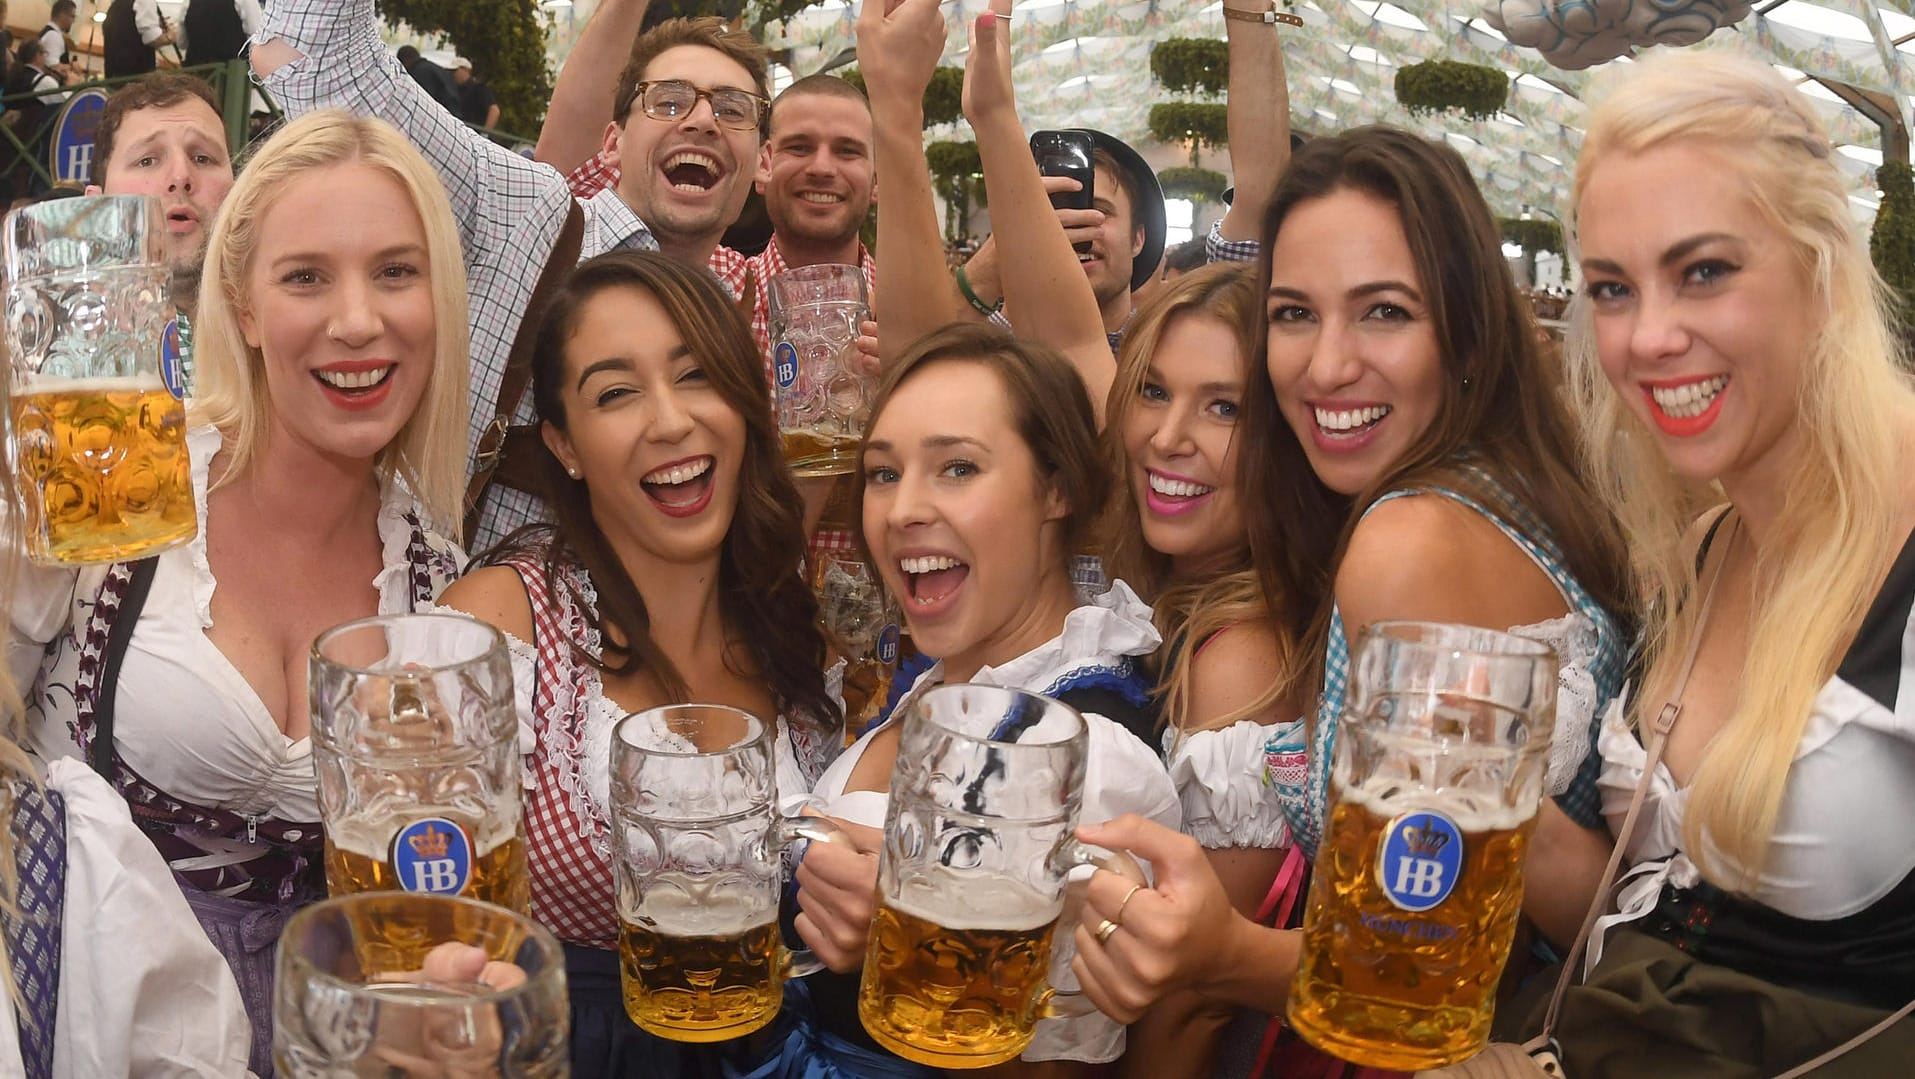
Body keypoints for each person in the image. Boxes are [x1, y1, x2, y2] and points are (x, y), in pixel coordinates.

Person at [1066, 124, 1634, 1064]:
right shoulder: (1515, 486)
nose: (1325, 366)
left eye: (1382, 312)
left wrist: (1215, 951)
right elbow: (1566, 887)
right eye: (1293, 314)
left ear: (1465, 326)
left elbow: (1412, 968)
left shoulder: (1405, 538)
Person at [10, 109, 473, 1077]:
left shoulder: (441, 579)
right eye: (306, 276)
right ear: (247, 306)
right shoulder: (113, 480)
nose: (358, 318)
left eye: (396, 270)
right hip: (88, 1025)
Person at [1517, 50, 1915, 1073]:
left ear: (1821, 266)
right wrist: (1486, 789)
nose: (1648, 335)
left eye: (1704, 271)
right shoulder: (1706, 542)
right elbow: (1651, 910)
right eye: (1611, 287)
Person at [436, 250, 839, 1079]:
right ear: (565, 445)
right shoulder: (499, 624)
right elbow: (431, 939)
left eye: (696, 376)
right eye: (616, 393)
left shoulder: (791, 620)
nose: (669, 421)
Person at [252, 0, 775, 549]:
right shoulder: (524, 211)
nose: (701, 120)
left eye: (734, 110)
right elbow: (308, 56)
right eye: (667, 102)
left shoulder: (746, 320)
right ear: (613, 142)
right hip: (440, 618)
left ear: (763, 158)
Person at [1096, 262, 1299, 1079]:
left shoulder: (1240, 654)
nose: (1168, 435)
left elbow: (1197, 996)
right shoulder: (1170, 592)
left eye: (1224, 407)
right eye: (1151, 390)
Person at [86, 71, 238, 400]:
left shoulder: (282, 325)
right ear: (97, 206)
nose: (181, 176)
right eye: (147, 160)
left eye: (202, 157)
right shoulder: (40, 336)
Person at [179, 0, 264, 69]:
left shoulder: (187, 2)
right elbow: (258, 37)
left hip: (198, 77)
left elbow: (181, 44)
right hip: (234, 79)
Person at [103, 0, 177, 79]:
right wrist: (170, 36)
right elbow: (152, 39)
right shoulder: (145, 1)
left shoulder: (116, 4)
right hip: (137, 77)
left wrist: (155, 26)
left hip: (113, 75)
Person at [396, 45, 460, 116]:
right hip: (453, 115)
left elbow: (419, 103)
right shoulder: (436, 68)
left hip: (439, 116)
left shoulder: (418, 73)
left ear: (403, 61)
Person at [449, 57, 500, 130]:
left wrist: (485, 134)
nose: (452, 74)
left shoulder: (478, 88)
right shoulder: (454, 90)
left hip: (475, 136)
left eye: (455, 71)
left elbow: (494, 110)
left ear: (466, 70)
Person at [36, 0, 77, 81]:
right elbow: (53, 69)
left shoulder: (46, 32)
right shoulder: (53, 36)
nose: (73, 21)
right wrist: (73, 67)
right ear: (62, 15)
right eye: (72, 16)